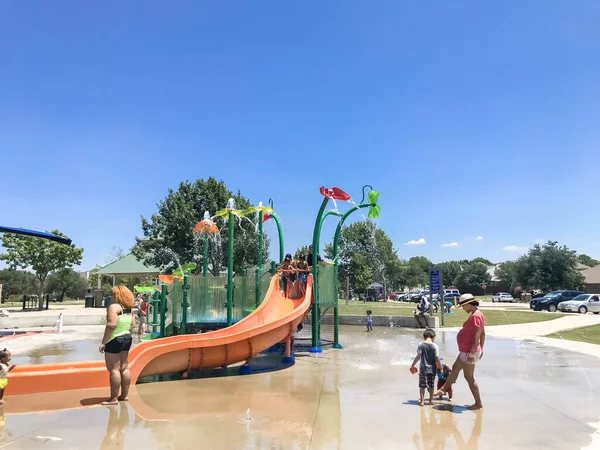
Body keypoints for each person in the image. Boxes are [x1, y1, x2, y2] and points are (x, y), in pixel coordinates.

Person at [434, 293, 485, 410]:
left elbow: (478, 334)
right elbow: (483, 333)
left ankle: (478, 403)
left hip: (469, 352)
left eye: (463, 306)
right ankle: (443, 389)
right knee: (455, 368)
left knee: (469, 378)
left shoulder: (476, 316)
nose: (463, 308)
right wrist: (481, 348)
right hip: (466, 350)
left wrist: (474, 351)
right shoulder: (476, 314)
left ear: (468, 304)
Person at [99, 285, 136, 406]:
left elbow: (112, 325)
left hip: (115, 339)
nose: (112, 296)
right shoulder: (129, 308)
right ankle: (124, 396)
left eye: (113, 294)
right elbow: (132, 325)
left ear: (117, 295)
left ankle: (113, 399)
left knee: (114, 369)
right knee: (124, 367)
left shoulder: (114, 307)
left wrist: (103, 342)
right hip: (127, 338)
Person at [410, 329, 442, 406]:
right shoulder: (435, 346)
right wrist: (440, 368)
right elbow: (437, 358)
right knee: (431, 385)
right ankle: (431, 400)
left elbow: (418, 356)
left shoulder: (421, 344)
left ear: (424, 337)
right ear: (433, 337)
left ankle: (422, 401)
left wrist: (412, 365)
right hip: (432, 369)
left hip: (423, 369)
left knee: (422, 386)